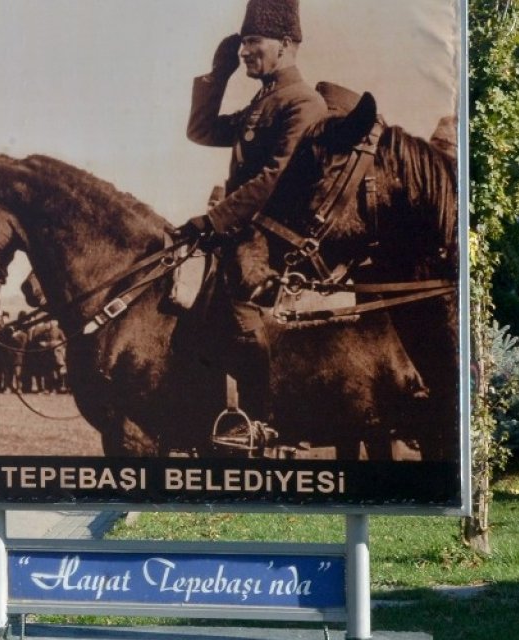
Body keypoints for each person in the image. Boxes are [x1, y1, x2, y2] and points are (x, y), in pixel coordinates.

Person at [179, 0, 327, 425]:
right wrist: (217, 75)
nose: (244, 51)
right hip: (242, 234)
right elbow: (201, 131)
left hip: (274, 241)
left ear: (284, 44)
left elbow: (273, 176)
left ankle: (262, 423)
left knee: (243, 320)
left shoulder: (303, 103)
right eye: (241, 42)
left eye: (252, 41)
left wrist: (214, 219)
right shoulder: (266, 101)